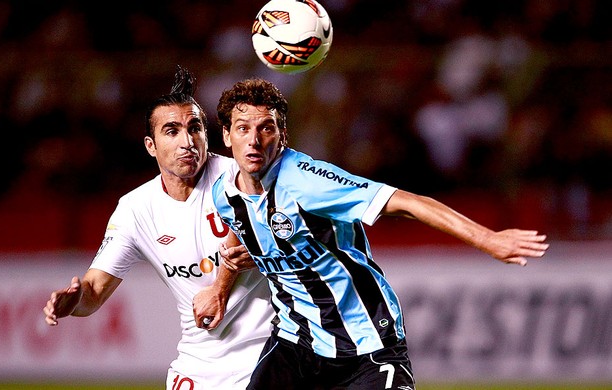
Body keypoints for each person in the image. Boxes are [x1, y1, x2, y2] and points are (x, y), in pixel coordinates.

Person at [211, 78, 550, 390]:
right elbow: (241, 228)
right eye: (243, 129)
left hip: (367, 344)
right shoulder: (223, 193)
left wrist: (487, 239)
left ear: (282, 136)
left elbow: (409, 202)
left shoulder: (307, 181)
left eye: (265, 128)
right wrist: (219, 289)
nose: (254, 140)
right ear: (227, 136)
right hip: (295, 343)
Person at [43, 67, 273, 390]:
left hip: (266, 357)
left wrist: (221, 288)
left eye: (195, 128)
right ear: (151, 146)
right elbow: (93, 291)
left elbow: (257, 238)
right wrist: (73, 302)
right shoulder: (136, 209)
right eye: (172, 131)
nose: (187, 141)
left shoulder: (239, 176)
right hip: (198, 364)